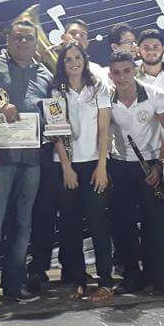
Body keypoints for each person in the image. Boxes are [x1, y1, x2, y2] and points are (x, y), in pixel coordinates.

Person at [0, 18, 52, 303]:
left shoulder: (45, 74)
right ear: (7, 39)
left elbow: (51, 114)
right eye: (18, 37)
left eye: (29, 38)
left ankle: (13, 285)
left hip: (32, 160)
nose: (23, 43)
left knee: (24, 224)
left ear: (36, 42)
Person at [52, 41, 113, 301]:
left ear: (84, 60)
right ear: (62, 64)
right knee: (70, 225)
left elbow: (104, 129)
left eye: (77, 57)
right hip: (67, 165)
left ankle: (106, 281)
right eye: (68, 59)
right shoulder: (56, 90)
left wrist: (102, 166)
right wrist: (66, 167)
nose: (73, 62)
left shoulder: (98, 87)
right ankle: (78, 280)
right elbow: (56, 131)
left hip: (94, 163)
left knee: (98, 223)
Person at [107, 51, 164, 295]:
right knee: (123, 223)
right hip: (121, 165)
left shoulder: (155, 95)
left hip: (150, 164)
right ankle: (131, 275)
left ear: (135, 70)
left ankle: (157, 275)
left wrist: (159, 165)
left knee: (154, 223)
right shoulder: (107, 99)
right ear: (110, 74)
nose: (122, 77)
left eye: (126, 71)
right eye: (116, 72)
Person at [63, 18, 110, 86]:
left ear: (86, 43)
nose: (77, 37)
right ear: (63, 37)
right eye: (72, 33)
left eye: (82, 35)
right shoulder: (50, 62)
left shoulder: (98, 71)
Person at [136, 28, 164, 99]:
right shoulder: (131, 79)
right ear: (138, 51)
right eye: (146, 47)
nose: (151, 51)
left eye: (155, 47)